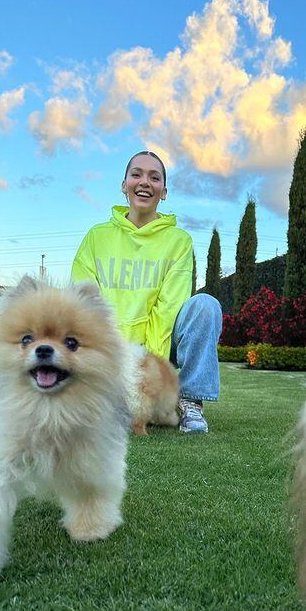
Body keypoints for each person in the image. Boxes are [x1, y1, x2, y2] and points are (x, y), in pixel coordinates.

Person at [71, 151, 222, 433]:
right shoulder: (96, 237)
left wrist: (149, 378)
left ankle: (189, 402)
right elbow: (83, 305)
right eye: (136, 174)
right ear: (124, 184)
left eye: (155, 177)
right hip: (110, 347)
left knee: (205, 305)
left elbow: (168, 309)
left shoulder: (179, 241)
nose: (145, 182)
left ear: (163, 192)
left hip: (161, 345)